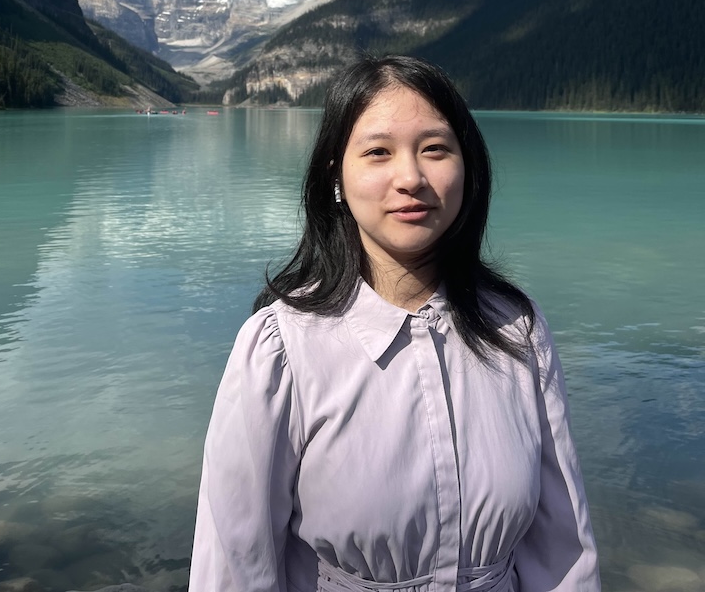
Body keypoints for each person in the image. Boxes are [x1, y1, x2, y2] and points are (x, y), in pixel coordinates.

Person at [189, 54, 600, 592]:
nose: (411, 178)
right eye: (377, 152)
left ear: (467, 167)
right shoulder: (281, 347)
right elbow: (235, 563)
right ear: (336, 176)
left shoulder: (516, 331)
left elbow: (562, 551)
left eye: (434, 149)